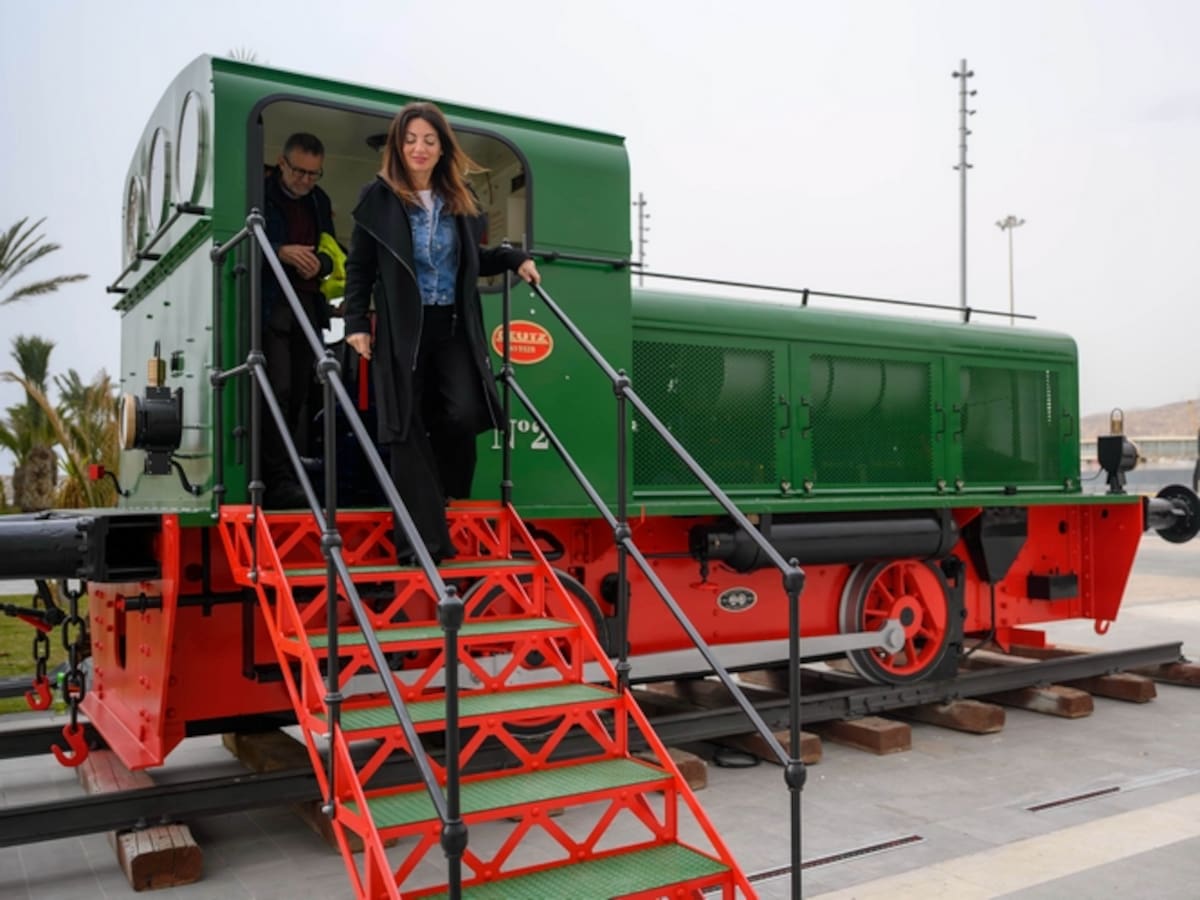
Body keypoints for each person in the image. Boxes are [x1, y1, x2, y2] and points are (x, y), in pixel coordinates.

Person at [343, 102, 539, 562]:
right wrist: (356, 323)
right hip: (403, 330)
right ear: (398, 146)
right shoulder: (378, 198)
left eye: (429, 140)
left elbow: (473, 260)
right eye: (411, 139)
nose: (419, 148)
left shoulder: (460, 199)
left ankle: (443, 494)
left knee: (464, 412)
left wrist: (514, 258)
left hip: (452, 325)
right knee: (406, 430)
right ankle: (423, 546)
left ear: (442, 148)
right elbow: (360, 266)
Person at [261, 132, 337, 508]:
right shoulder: (258, 194)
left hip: (308, 305)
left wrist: (318, 264)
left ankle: (286, 473)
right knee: (277, 388)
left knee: (300, 395)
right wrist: (280, 252)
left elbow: (332, 253)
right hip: (271, 303)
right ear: (282, 163)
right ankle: (274, 480)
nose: (306, 180)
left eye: (313, 174)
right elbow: (243, 242)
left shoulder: (320, 201)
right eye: (299, 172)